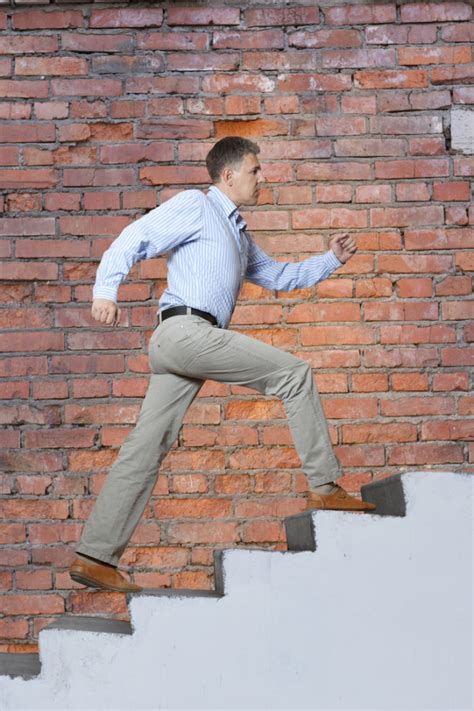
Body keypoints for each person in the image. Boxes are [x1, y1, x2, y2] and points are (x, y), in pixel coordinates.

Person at [69, 136, 376, 593]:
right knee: (294, 374)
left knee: (145, 446)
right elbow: (136, 237)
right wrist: (104, 291)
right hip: (187, 332)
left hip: (185, 341)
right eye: (255, 169)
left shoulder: (237, 231)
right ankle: (325, 485)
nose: (262, 176)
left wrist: (332, 259)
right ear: (229, 175)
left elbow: (277, 276)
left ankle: (95, 556)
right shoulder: (196, 205)